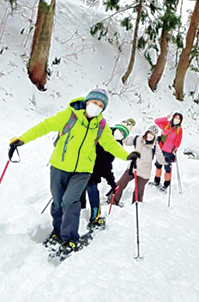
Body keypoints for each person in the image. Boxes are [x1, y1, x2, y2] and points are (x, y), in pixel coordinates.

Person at [8, 88, 140, 254]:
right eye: (94, 102)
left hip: (83, 171)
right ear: (87, 102)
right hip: (59, 167)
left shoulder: (101, 125)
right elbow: (45, 126)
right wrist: (22, 139)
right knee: (57, 203)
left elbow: (111, 144)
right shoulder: (69, 116)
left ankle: (70, 238)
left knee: (70, 201)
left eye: (100, 105)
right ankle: (57, 232)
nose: (96, 106)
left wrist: (128, 156)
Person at [81, 118, 136, 230]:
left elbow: (106, 167)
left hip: (93, 175)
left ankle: (93, 217)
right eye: (120, 131)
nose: (120, 134)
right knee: (79, 195)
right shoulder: (101, 134)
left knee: (92, 194)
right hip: (81, 169)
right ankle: (81, 215)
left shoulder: (115, 147)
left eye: (123, 134)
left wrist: (112, 183)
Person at [112, 125, 165, 206]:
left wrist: (168, 160)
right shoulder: (137, 139)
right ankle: (112, 201)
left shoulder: (155, 146)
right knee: (120, 184)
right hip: (132, 168)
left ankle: (136, 205)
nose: (150, 135)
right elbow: (125, 140)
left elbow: (161, 159)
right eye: (149, 132)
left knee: (138, 192)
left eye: (153, 134)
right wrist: (118, 134)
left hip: (144, 172)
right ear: (146, 132)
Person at [153, 112, 183, 191]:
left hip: (169, 152)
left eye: (178, 119)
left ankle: (166, 185)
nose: (177, 120)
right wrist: (166, 118)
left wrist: (175, 150)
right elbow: (156, 121)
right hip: (161, 149)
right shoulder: (166, 125)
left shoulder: (179, 130)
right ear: (173, 118)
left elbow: (178, 141)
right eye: (176, 118)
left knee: (167, 169)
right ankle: (156, 181)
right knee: (158, 166)